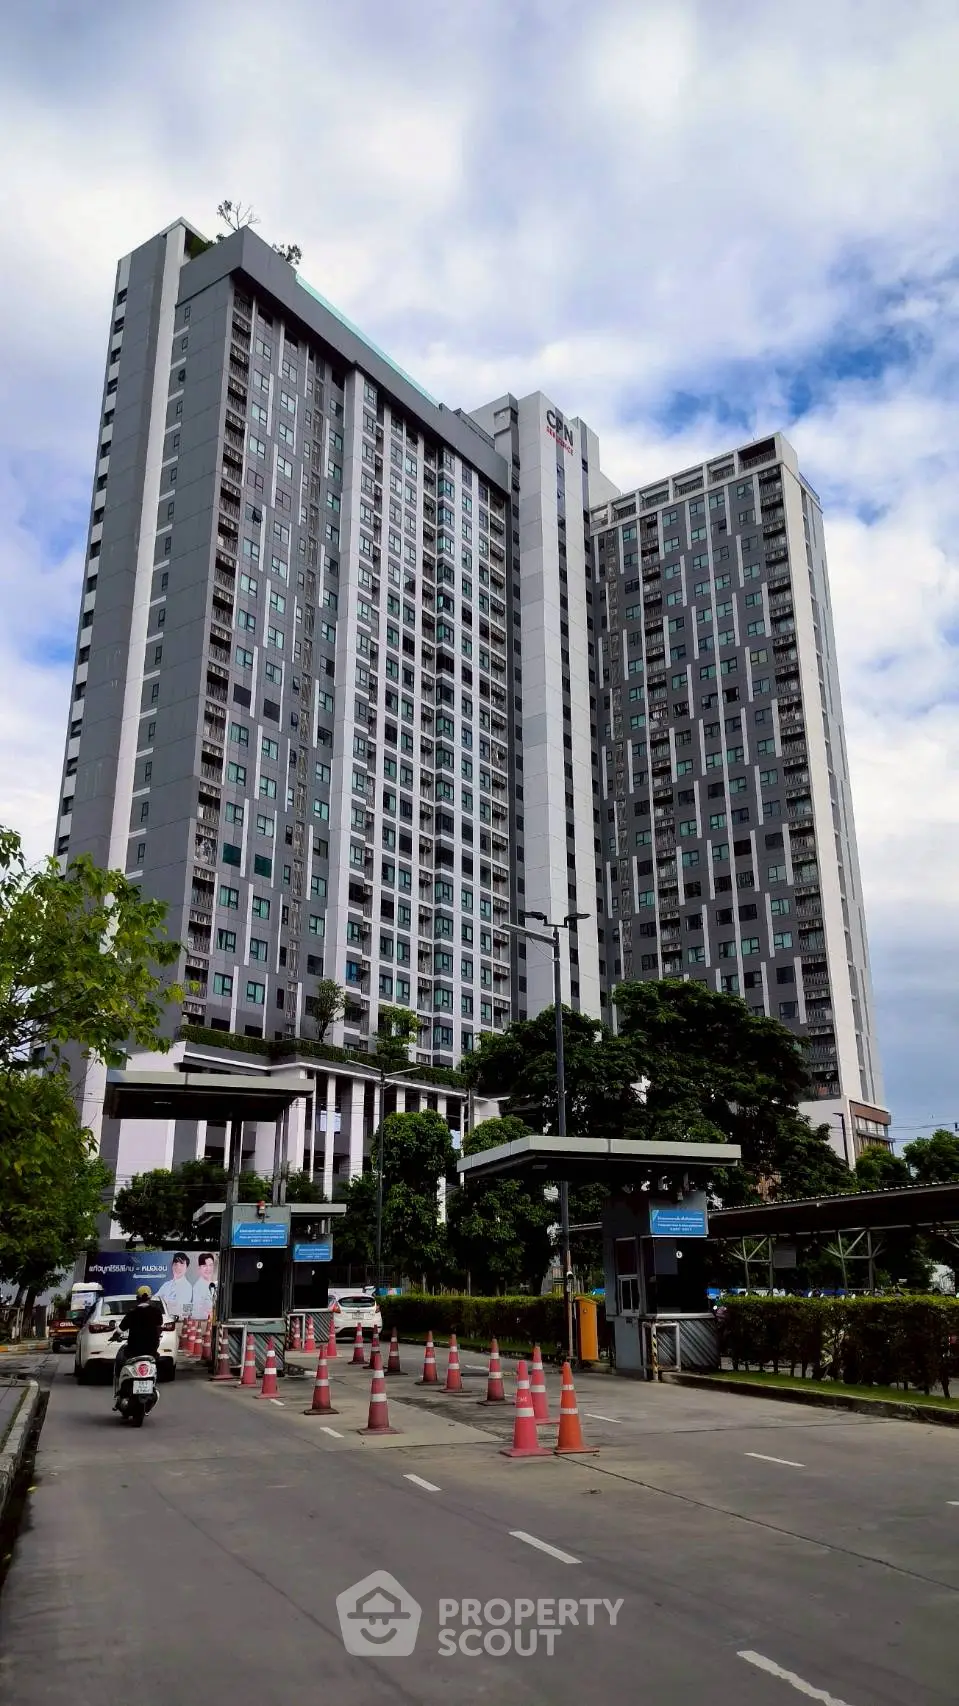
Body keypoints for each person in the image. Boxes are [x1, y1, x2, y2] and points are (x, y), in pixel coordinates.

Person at [114, 1287, 164, 1386]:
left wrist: (114, 1337)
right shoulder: (157, 1312)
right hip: (151, 1350)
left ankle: (119, 1387)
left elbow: (119, 1330)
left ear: (137, 1298)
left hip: (133, 1350)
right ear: (150, 1298)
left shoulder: (132, 1313)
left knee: (120, 1359)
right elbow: (159, 1328)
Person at [155, 1253, 193, 1317]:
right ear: (172, 1266)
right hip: (164, 1320)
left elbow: (183, 1311)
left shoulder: (188, 1287)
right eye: (175, 1264)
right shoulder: (166, 1285)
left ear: (186, 1268)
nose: (178, 1267)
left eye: (182, 1264)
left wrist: (164, 1304)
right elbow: (155, 1300)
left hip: (179, 1322)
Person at [191, 1253, 217, 1321]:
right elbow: (197, 1311)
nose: (208, 1268)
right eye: (205, 1265)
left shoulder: (214, 1284)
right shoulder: (198, 1288)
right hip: (204, 1322)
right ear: (199, 1268)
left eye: (210, 1265)